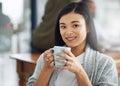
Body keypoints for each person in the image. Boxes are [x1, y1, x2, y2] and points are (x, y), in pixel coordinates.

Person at [27, 1, 118, 86]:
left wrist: (79, 71)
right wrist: (46, 69)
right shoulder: (46, 59)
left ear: (88, 27)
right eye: (63, 26)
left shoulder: (105, 63)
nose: (68, 32)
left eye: (75, 25)